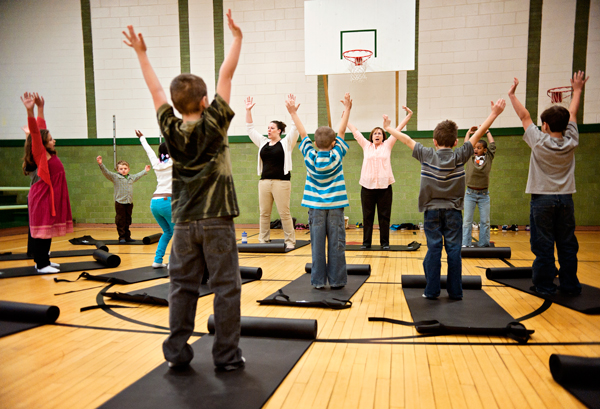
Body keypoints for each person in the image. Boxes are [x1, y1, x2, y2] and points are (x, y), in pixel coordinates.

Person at [123, 9, 245, 371]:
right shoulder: (215, 122)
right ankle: (225, 356)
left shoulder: (169, 129)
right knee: (226, 288)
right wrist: (236, 38)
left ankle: (177, 352)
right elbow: (227, 73)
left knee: (182, 287)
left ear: (175, 107)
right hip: (217, 222)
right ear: (206, 102)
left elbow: (156, 89)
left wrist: (141, 54)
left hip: (184, 222)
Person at [383, 99, 506, 300]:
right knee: (454, 252)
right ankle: (456, 292)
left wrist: (388, 128)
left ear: (434, 141)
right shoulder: (460, 155)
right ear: (456, 142)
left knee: (433, 250)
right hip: (453, 213)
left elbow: (405, 139)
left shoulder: (426, 154)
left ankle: (431, 291)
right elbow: (478, 134)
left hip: (431, 212)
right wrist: (494, 114)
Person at [508, 71, 588, 296]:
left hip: (542, 200)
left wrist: (512, 95)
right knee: (567, 245)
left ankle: (544, 286)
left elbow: (524, 116)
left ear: (544, 126)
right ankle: (570, 286)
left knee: (543, 246)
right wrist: (578, 90)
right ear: (564, 126)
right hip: (565, 199)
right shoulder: (572, 140)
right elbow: (572, 112)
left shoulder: (539, 141)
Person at [287, 93, 352, 289]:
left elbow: (303, 133)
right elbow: (341, 133)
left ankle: (317, 282)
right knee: (336, 245)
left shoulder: (309, 155)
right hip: (335, 208)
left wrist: (293, 113)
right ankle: (338, 280)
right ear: (334, 145)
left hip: (315, 208)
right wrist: (347, 110)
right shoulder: (337, 155)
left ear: (315, 144)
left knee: (317, 247)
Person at [20, 92, 74, 273]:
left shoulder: (50, 154)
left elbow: (41, 128)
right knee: (42, 232)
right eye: (51, 139)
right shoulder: (41, 155)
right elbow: (36, 133)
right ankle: (41, 264)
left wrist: (41, 108)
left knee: (48, 229)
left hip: (51, 196)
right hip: (42, 196)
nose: (54, 140)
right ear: (43, 144)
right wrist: (30, 110)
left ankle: (45, 260)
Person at [347, 106, 413, 249]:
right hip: (367, 187)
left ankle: (385, 243)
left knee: (384, 217)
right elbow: (355, 131)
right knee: (367, 217)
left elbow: (398, 130)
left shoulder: (388, 145)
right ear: (372, 136)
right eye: (375, 133)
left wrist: (408, 116)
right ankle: (366, 243)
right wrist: (345, 116)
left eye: (380, 133)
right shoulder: (366, 145)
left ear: (383, 136)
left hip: (385, 188)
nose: (377, 135)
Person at [245, 95, 299, 249]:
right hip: (264, 182)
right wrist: (248, 111)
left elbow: (295, 129)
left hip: (282, 183)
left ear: (279, 131)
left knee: (284, 214)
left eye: (272, 128)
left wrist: (292, 112)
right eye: (268, 128)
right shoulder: (263, 142)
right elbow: (250, 129)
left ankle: (290, 241)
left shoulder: (286, 143)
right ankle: (263, 240)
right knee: (264, 213)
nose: (269, 130)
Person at [136, 130, 173, 268]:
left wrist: (142, 138)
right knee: (179, 234)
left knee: (168, 232)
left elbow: (149, 151)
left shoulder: (157, 164)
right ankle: (172, 263)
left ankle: (157, 261)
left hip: (154, 203)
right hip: (167, 202)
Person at [96, 156, 150, 243]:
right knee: (121, 220)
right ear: (117, 170)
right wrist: (100, 164)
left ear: (128, 169)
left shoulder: (131, 177)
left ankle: (128, 237)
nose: (123, 170)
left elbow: (138, 175)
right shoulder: (115, 177)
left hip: (129, 202)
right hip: (120, 203)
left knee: (127, 220)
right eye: (121, 169)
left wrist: (145, 171)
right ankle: (122, 237)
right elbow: (106, 172)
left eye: (125, 168)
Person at [462, 126, 496, 248]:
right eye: (475, 147)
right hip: (470, 194)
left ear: (485, 150)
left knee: (485, 222)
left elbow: (492, 144)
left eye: (479, 148)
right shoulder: (470, 157)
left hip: (484, 195)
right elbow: (467, 145)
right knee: (467, 221)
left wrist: (487, 131)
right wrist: (468, 133)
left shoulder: (488, 158)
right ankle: (465, 243)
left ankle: (484, 244)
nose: (476, 150)